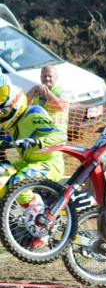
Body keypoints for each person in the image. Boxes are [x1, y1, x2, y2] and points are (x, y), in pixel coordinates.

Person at [0, 81, 66, 250]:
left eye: (3, 111)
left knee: (18, 181)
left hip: (49, 163)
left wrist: (37, 141)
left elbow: (60, 136)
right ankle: (12, 221)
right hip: (29, 163)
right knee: (2, 174)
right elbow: (12, 141)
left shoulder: (33, 113)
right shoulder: (15, 124)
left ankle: (41, 229)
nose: (1, 116)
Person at [26, 65, 69, 132]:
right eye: (44, 76)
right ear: (40, 78)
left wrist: (48, 93)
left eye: (50, 76)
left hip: (56, 132)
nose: (47, 78)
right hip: (39, 131)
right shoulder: (37, 90)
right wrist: (33, 90)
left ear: (56, 78)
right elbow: (23, 103)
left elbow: (61, 106)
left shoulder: (63, 91)